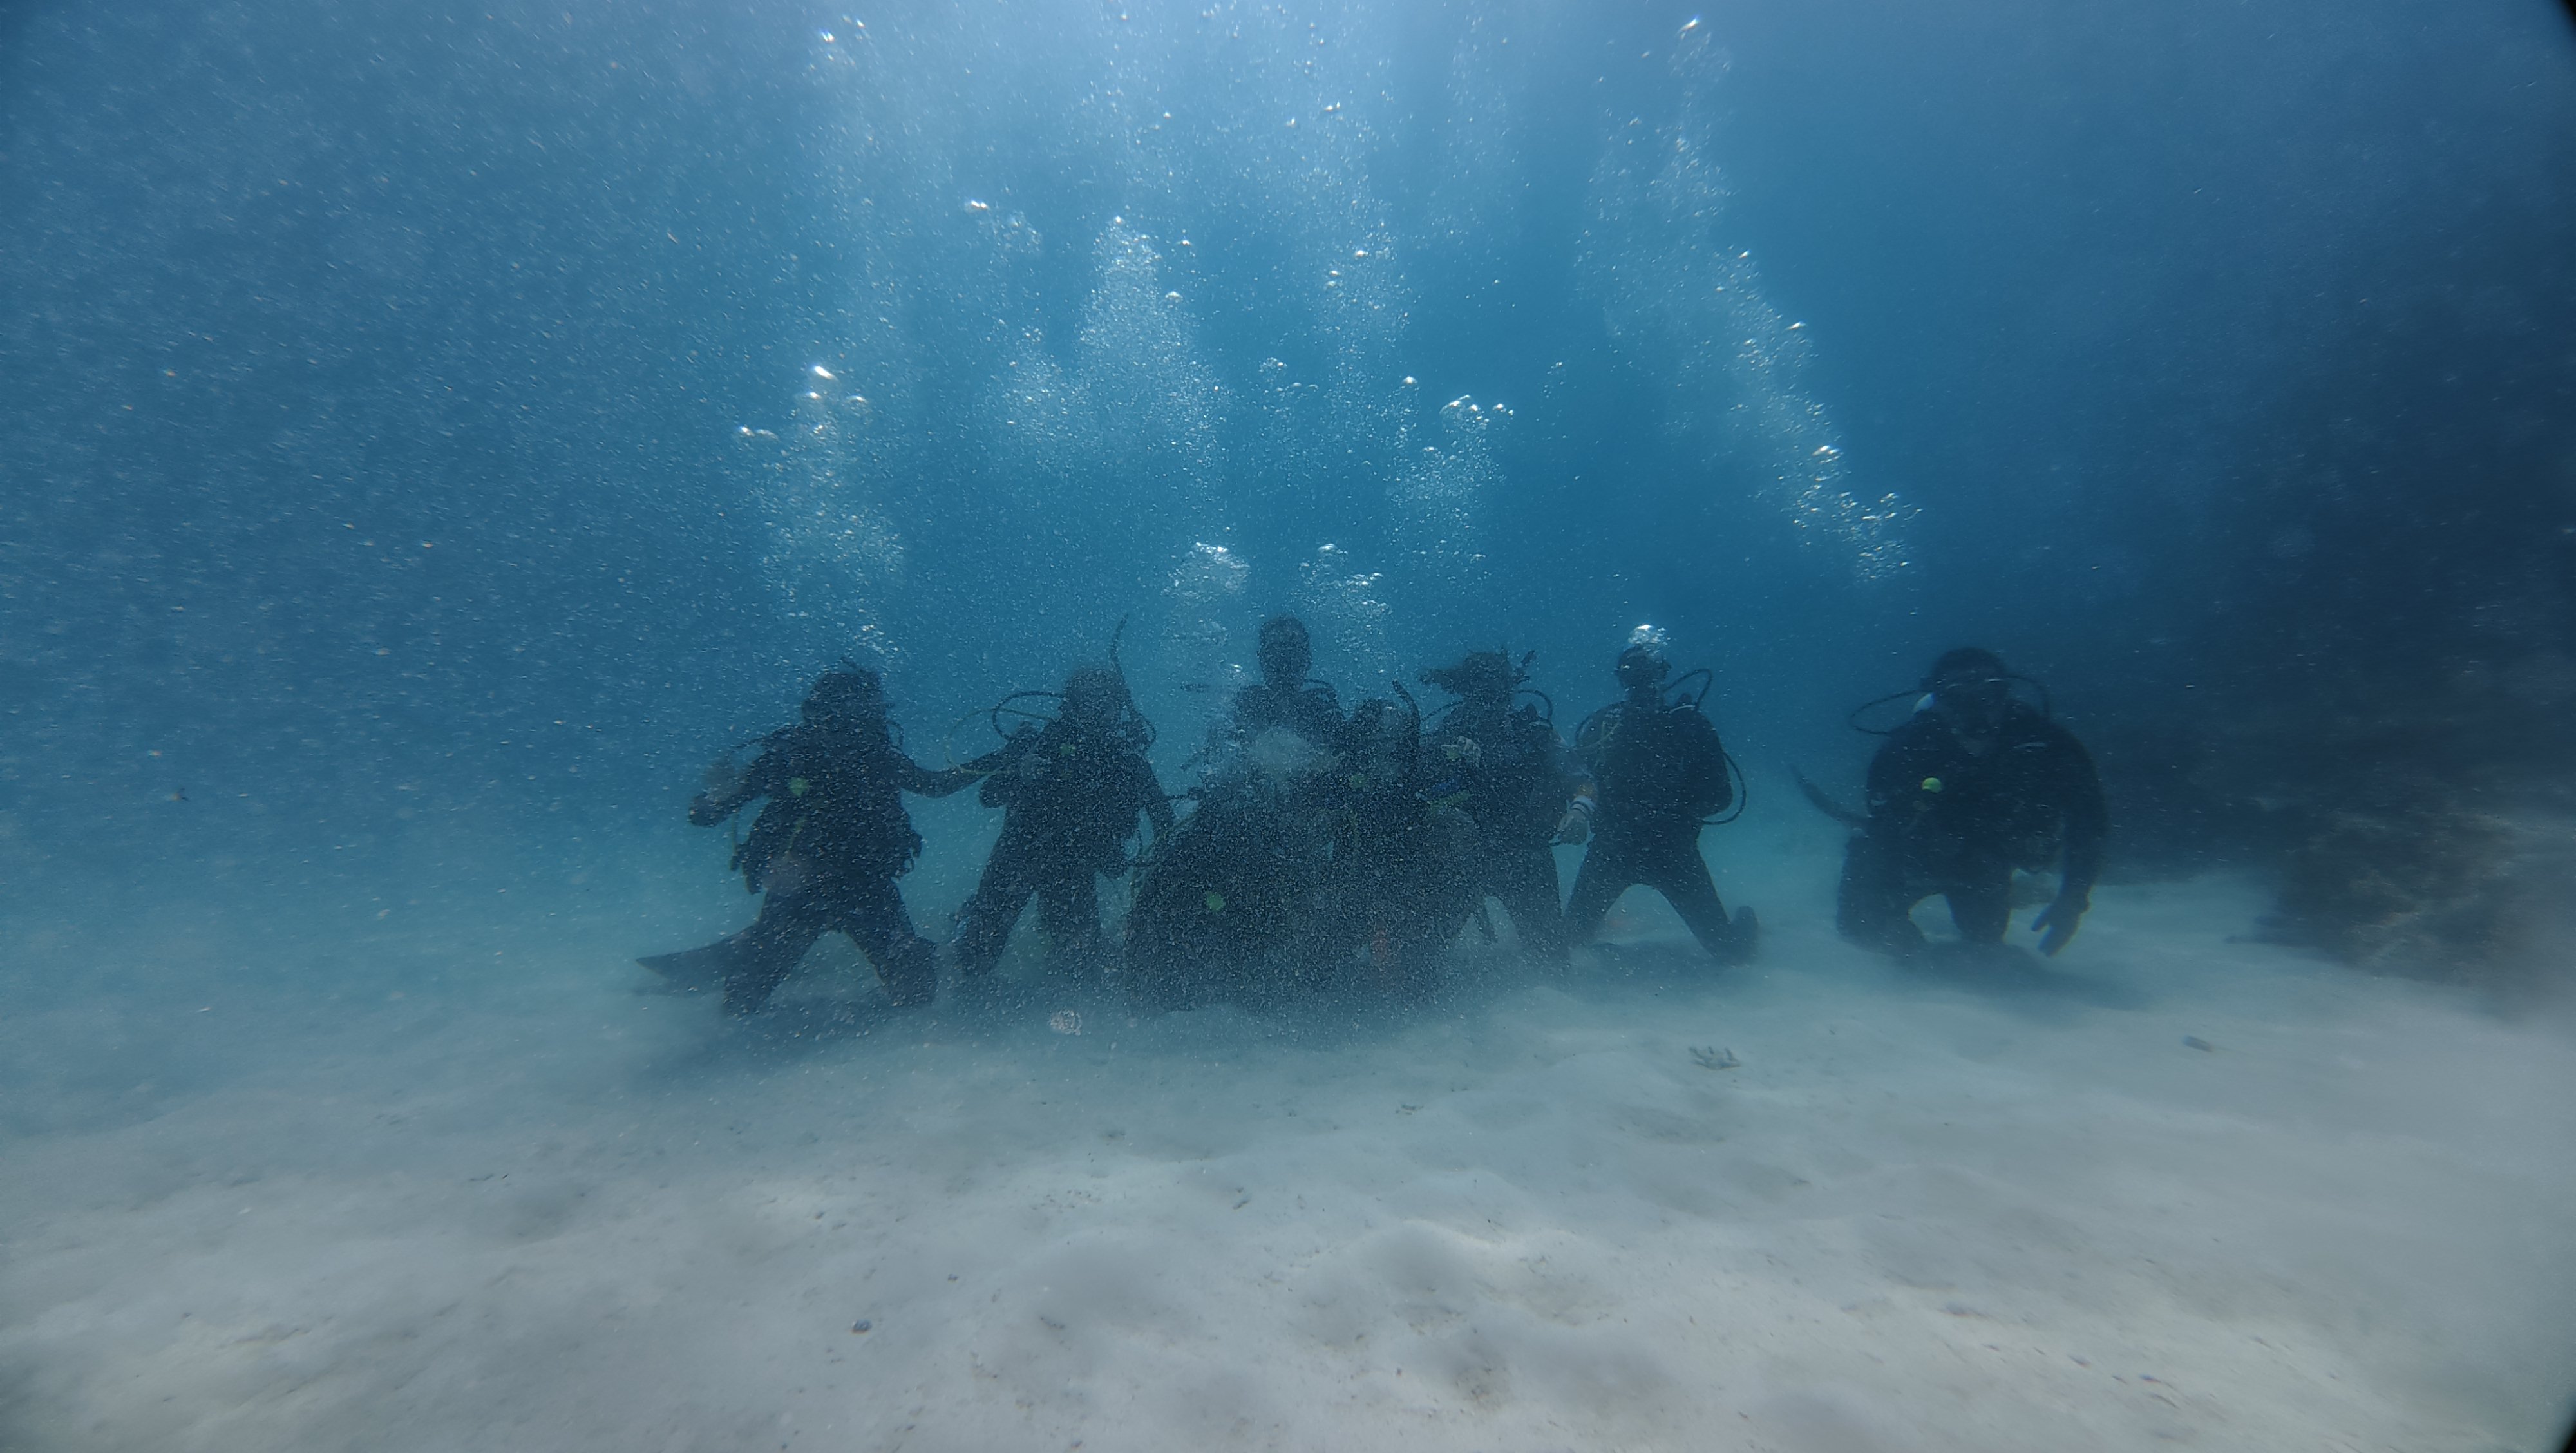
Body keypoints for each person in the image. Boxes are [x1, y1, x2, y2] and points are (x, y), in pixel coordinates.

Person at [638, 665, 977, 1014]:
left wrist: (998, 760)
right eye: (861, 711)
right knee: (745, 999)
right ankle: (743, 954)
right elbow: (706, 816)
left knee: (913, 989)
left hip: (855, 886)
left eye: (871, 711)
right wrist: (717, 795)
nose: (866, 721)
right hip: (812, 889)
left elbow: (933, 786)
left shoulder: (871, 756)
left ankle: (743, 952)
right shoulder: (796, 755)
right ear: (830, 712)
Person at [1836, 647, 2107, 958]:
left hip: (1983, 860)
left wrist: (2073, 898)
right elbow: (1884, 827)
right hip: (1915, 853)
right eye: (1958, 694)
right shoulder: (1907, 748)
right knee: (1862, 929)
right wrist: (1891, 916)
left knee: (1985, 933)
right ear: (1938, 698)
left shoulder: (2046, 745)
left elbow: (2089, 823)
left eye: (1989, 691)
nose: (1975, 706)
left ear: (2005, 693)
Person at [951, 664, 1175, 985]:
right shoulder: (1040, 745)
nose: (1099, 713)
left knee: (1080, 967)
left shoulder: (1127, 760)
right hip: (1017, 859)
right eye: (1090, 702)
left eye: (1107, 704)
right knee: (975, 962)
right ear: (1071, 705)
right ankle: (966, 921)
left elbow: (1164, 819)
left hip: (1072, 869)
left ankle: (1069, 942)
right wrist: (1019, 775)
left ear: (1118, 709)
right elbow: (989, 796)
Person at [1565, 632, 1759, 963]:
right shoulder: (1690, 723)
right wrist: (1675, 813)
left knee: (1568, 940)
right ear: (1663, 673)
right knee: (1727, 949)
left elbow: (1580, 786)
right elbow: (1720, 798)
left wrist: (1606, 813)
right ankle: (1741, 925)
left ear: (1620, 678)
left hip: (1615, 849)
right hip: (1672, 850)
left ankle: (1597, 927)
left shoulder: (1603, 725)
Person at [1417, 649, 1595, 963]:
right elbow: (1414, 791)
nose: (1488, 701)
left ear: (1508, 690)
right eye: (1479, 691)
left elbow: (1581, 779)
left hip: (1526, 856)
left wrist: (1580, 811)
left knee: (1551, 959)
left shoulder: (1536, 734)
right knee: (1425, 955)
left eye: (1495, 691)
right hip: (1463, 861)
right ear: (1465, 692)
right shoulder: (1445, 735)